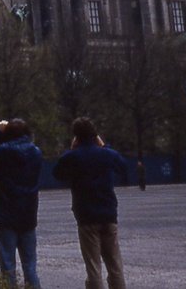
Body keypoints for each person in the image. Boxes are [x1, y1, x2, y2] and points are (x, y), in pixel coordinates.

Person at [53, 117, 127, 289]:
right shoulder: (107, 154)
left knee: (93, 267)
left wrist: (71, 150)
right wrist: (104, 146)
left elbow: (57, 173)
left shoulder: (72, 157)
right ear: (95, 134)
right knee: (115, 265)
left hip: (86, 215)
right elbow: (123, 167)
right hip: (108, 213)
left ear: (76, 136)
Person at [0, 118, 43, 289]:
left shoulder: (3, 152)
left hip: (6, 211)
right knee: (30, 265)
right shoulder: (36, 152)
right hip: (28, 212)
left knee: (7, 266)